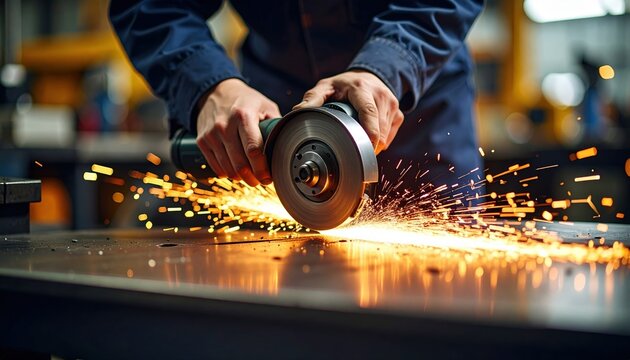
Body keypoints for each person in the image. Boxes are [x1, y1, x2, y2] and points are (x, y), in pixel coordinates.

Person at [109, 0, 483, 193]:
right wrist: (209, 85)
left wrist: (387, 65)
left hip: (414, 111)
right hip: (271, 119)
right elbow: (154, 7)